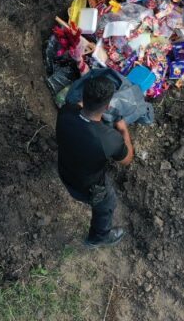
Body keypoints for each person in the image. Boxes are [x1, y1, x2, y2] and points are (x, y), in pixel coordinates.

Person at [55, 73, 134, 248]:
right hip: (86, 187)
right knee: (107, 203)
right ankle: (98, 238)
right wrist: (123, 130)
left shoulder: (66, 112)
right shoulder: (109, 139)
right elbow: (127, 159)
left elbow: (79, 109)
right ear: (107, 107)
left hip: (65, 170)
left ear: (83, 96)